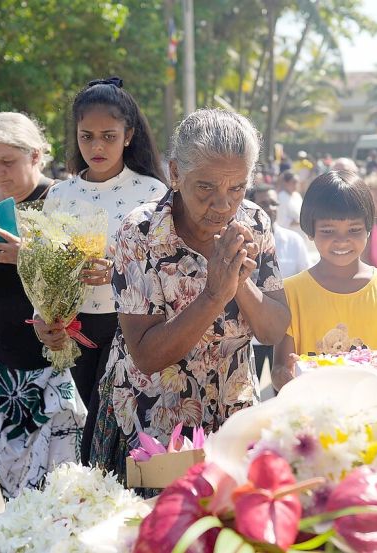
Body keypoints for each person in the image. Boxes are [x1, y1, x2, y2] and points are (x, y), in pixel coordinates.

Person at [88, 108, 290, 478]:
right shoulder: (140, 234)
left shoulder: (255, 223)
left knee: (228, 530)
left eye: (237, 188)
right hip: (153, 427)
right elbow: (147, 356)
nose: (224, 204)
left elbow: (273, 331)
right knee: (160, 531)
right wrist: (214, 295)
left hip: (233, 422)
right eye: (206, 187)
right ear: (176, 173)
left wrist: (239, 281)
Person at [0, 111, 84, 500]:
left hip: (59, 368)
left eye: (7, 162)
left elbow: (84, 280)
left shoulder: (62, 199)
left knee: (64, 489)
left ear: (36, 156)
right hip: (2, 370)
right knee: (14, 488)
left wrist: (29, 256)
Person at [36, 76, 167, 465]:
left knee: (118, 434)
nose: (96, 146)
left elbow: (167, 272)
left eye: (108, 136)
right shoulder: (59, 195)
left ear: (128, 135)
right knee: (89, 434)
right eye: (86, 136)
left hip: (133, 329)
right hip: (77, 332)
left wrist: (118, 273)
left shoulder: (153, 193)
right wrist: (45, 319)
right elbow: (43, 272)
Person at [271, 171, 377, 392]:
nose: (342, 241)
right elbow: (279, 370)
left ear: (369, 229)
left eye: (354, 230)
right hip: (316, 417)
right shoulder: (290, 292)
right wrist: (288, 376)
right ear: (310, 230)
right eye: (328, 230)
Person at [248, 184, 310, 381]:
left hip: (286, 336)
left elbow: (305, 281)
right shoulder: (240, 241)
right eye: (264, 203)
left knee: (284, 395)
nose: (270, 208)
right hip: (250, 338)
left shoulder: (293, 241)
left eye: (274, 203)